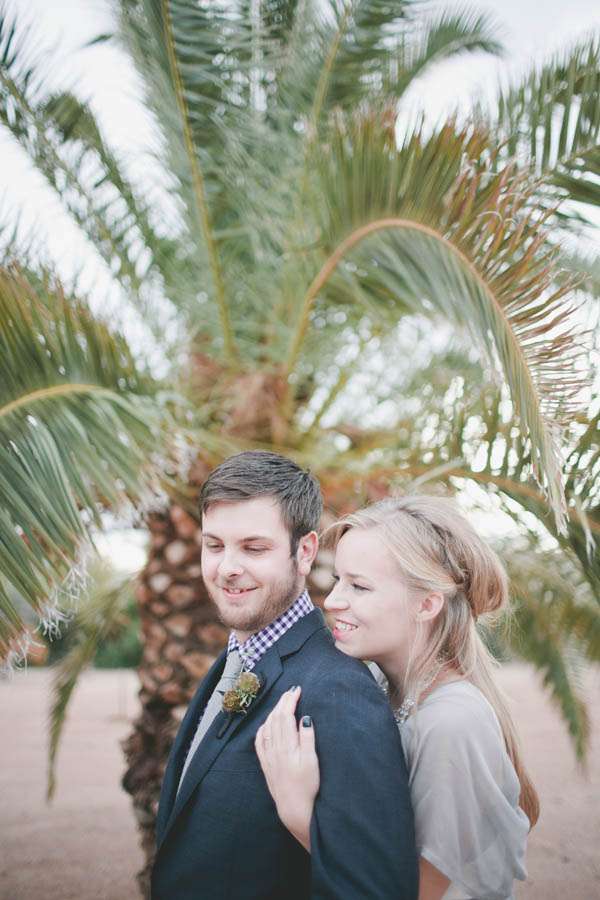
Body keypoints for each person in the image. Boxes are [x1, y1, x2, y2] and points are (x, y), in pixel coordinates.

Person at [151, 451, 418, 900]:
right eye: (214, 545)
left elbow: (375, 889)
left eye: (254, 548)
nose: (227, 568)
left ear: (305, 551)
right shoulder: (233, 659)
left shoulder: (338, 692)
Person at [256, 494, 538, 900]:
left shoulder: (452, 724)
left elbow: (412, 892)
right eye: (338, 580)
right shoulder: (381, 687)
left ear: (426, 604)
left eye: (359, 586)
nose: (332, 601)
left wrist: (300, 814)